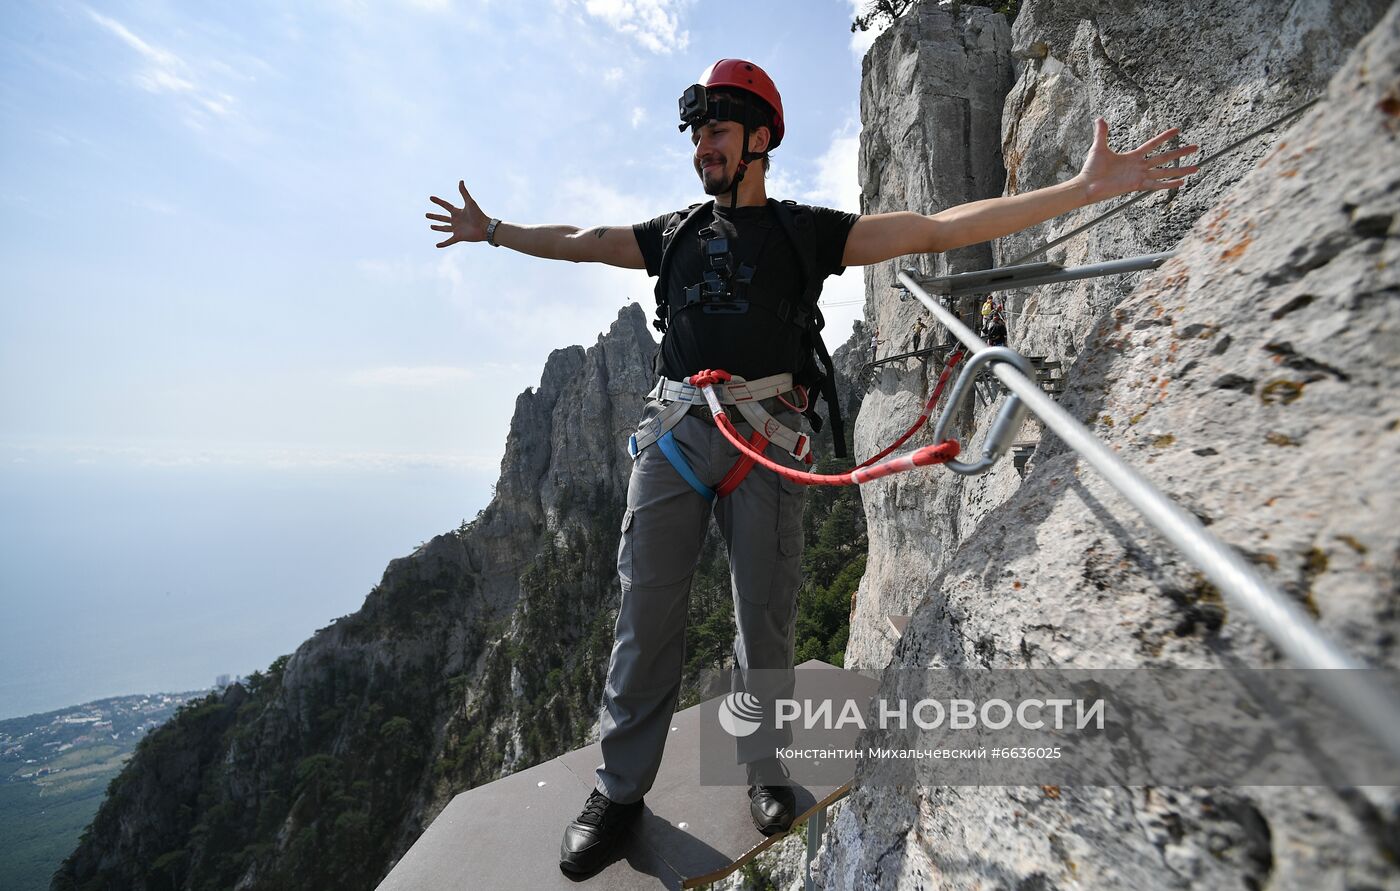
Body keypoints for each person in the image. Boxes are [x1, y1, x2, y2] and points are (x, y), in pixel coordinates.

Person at [426, 58, 1198, 878]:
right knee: (643, 617)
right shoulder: (676, 233)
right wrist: (495, 230)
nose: (701, 147)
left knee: (767, 620)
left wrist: (1077, 191)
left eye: (716, 130)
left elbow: (935, 228)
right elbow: (583, 244)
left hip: (767, 442)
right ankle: (619, 792)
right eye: (695, 134)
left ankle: (764, 766)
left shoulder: (805, 233)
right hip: (679, 435)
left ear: (760, 138)